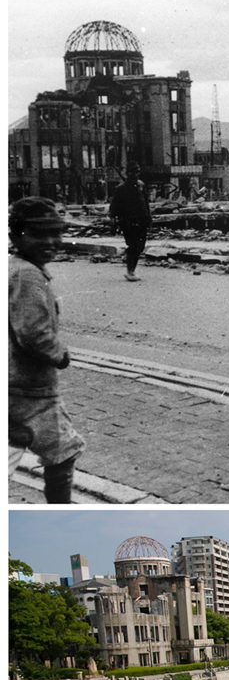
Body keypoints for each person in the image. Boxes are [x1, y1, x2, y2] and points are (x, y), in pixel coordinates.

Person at [8, 197, 86, 502]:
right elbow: (33, 333)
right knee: (63, 451)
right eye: (39, 234)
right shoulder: (28, 275)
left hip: (14, 383)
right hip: (32, 389)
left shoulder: (14, 267)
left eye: (56, 233)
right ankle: (60, 512)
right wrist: (60, 355)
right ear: (15, 235)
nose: (52, 242)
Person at [108, 163, 151, 281]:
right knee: (133, 245)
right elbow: (114, 207)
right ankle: (130, 271)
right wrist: (114, 222)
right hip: (128, 222)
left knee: (140, 247)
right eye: (134, 172)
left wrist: (149, 218)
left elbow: (145, 204)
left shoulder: (142, 185)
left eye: (138, 172)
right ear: (128, 174)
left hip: (141, 221)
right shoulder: (121, 188)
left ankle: (131, 268)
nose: (136, 174)